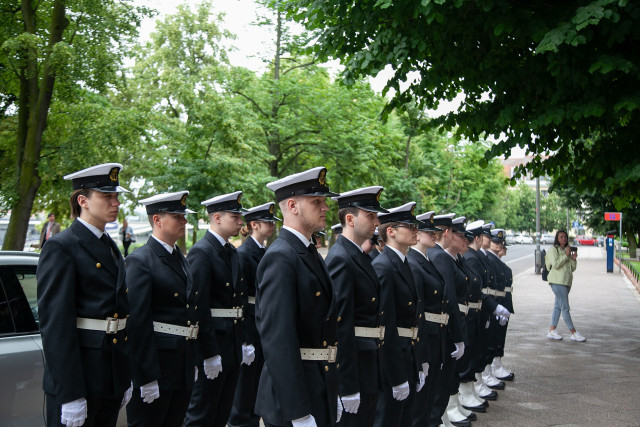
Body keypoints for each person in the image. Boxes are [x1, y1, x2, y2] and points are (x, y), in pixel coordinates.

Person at [36, 163, 132, 427]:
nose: (116, 203)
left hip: (109, 376)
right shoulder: (61, 246)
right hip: (81, 380)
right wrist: (70, 394)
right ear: (83, 201)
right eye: (107, 197)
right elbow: (56, 326)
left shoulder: (109, 245)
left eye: (116, 197)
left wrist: (124, 378)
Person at [255, 166, 340, 427]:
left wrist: (332, 389)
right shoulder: (281, 257)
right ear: (292, 205)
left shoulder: (308, 252)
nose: (325, 207)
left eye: (324, 201)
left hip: (318, 384)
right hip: (295, 396)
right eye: (316, 201)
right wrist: (297, 411)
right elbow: (278, 341)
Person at [125, 191, 216, 426]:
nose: (185, 221)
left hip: (182, 365)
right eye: (178, 216)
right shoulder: (141, 260)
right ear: (157, 220)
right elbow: (138, 322)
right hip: (158, 368)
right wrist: (145, 377)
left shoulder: (180, 259)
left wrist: (196, 360)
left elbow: (191, 312)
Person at [185, 191, 255, 427]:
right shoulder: (201, 252)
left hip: (232, 343)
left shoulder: (231, 251)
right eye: (234, 216)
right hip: (214, 344)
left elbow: (240, 303)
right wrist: (208, 353)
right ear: (216, 218)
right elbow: (199, 307)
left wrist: (244, 341)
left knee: (222, 412)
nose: (240, 221)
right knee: (202, 414)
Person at [325, 186, 388, 427]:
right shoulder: (341, 258)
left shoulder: (357, 256)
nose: (376, 221)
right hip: (356, 367)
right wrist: (347, 385)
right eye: (370, 215)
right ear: (350, 219)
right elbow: (341, 326)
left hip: (368, 360)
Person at [228, 202, 280, 427]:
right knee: (245, 390)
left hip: (262, 324)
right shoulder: (244, 252)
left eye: (272, 222)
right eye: (266, 222)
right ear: (253, 225)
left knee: (257, 384)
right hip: (250, 324)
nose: (270, 225)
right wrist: (245, 338)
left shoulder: (264, 251)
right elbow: (241, 298)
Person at [372, 202, 423, 427]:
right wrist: (395, 376)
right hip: (394, 359)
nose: (416, 231)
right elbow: (386, 326)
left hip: (407, 354)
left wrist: (418, 362)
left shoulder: (402, 263)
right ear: (390, 232)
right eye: (409, 226)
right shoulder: (384, 266)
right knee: (389, 419)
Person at [407, 211, 458, 427]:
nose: (434, 234)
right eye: (428, 231)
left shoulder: (426, 260)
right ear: (416, 235)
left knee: (430, 398)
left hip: (436, 336)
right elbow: (418, 312)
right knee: (421, 404)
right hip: (426, 337)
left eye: (434, 231)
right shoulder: (413, 262)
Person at [426, 213, 467, 427]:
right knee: (439, 387)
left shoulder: (433, 255)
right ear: (447, 232)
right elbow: (449, 298)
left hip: (441, 328)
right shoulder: (439, 256)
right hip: (444, 329)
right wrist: (458, 336)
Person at [545, 230, 583, 342]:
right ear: (557, 238)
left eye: (565, 237)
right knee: (565, 307)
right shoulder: (553, 250)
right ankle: (574, 332)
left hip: (566, 282)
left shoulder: (567, 250)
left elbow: (572, 268)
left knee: (558, 307)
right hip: (557, 282)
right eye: (561, 237)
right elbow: (556, 264)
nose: (564, 239)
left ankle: (552, 330)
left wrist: (574, 259)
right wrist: (566, 256)